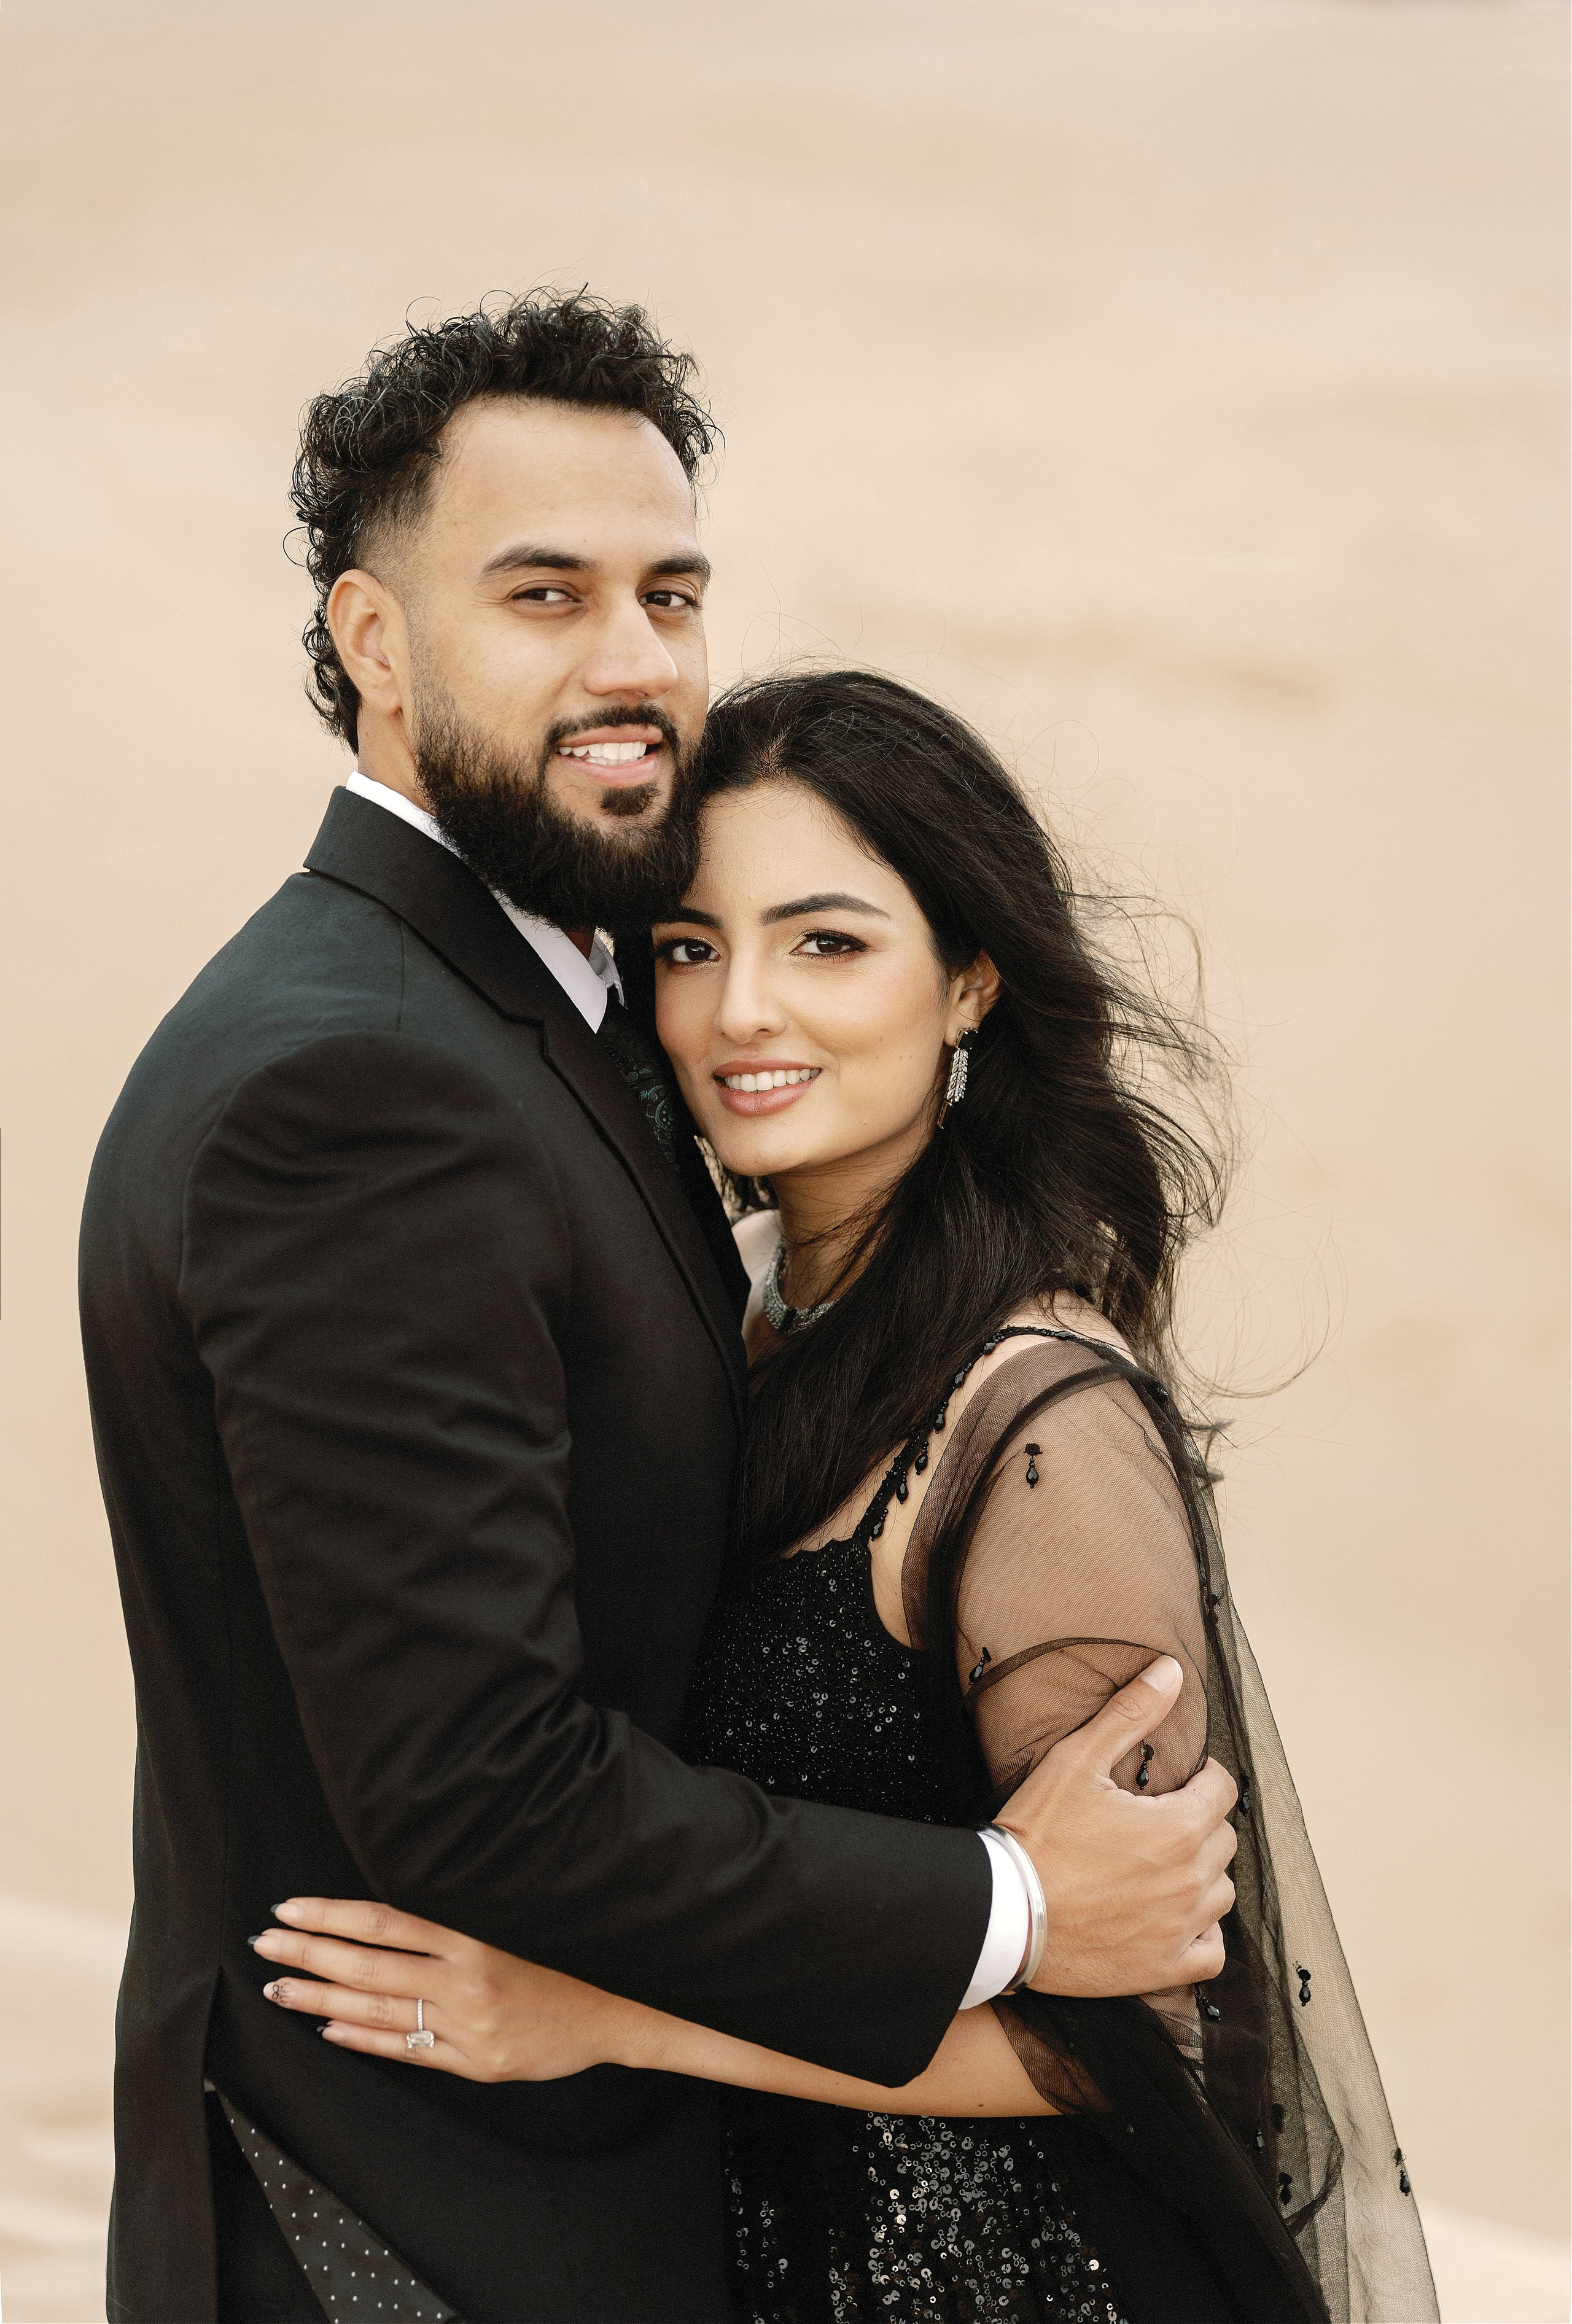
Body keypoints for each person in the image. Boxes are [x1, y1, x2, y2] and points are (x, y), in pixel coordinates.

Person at [79, 298, 1239, 2324]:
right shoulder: (360, 1088)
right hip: (415, 2222)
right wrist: (1018, 1901)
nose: (635, 664)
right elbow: (476, 1784)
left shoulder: (531, 1005)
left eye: (670, 593)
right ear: (371, 642)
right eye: (545, 595)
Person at [254, 670, 1439, 2324]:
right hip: (751, 2252)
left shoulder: (1038, 1423)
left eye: (826, 944)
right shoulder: (727, 1320)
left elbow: (1153, 2039)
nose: (744, 1011)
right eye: (689, 948)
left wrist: (603, 2015)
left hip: (1002, 2283)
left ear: (967, 983)